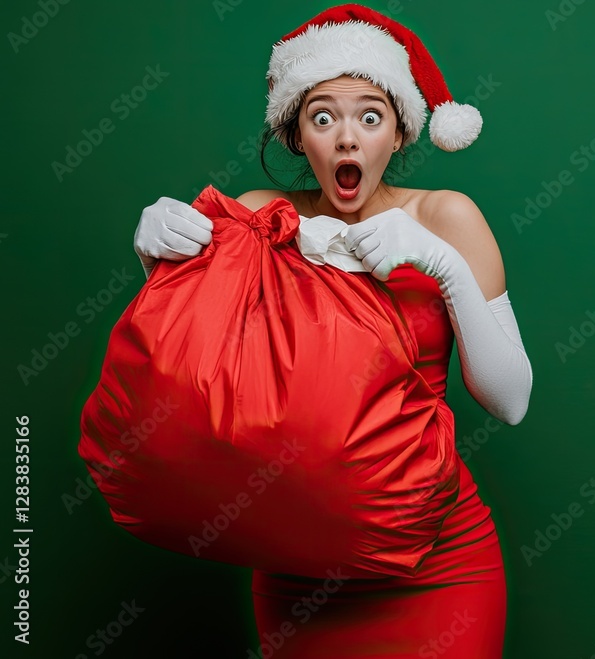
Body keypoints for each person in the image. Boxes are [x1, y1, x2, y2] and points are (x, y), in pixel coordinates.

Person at [131, 5, 531, 657]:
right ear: (296, 135)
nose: (347, 140)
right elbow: (186, 382)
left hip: (439, 565)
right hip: (298, 569)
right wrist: (155, 263)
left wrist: (443, 266)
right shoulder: (258, 220)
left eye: (369, 117)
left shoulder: (447, 217)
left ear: (400, 132)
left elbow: (511, 402)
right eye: (323, 117)